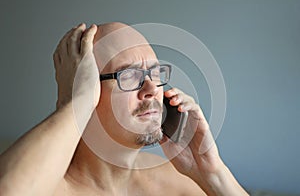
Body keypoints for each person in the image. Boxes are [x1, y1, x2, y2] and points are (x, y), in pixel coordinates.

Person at [0, 22, 249, 196]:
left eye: (155, 72)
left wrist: (212, 173)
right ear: (85, 90)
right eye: (129, 75)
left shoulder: (177, 183)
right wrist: (75, 103)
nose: (152, 88)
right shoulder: (49, 187)